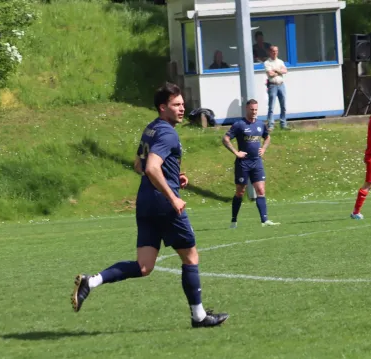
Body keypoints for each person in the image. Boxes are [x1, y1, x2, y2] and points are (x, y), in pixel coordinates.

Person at [71, 82, 229, 329]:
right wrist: (173, 196)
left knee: (144, 266)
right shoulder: (167, 133)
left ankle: (91, 282)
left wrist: (173, 176)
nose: (182, 109)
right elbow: (152, 168)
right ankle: (199, 317)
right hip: (164, 204)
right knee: (190, 257)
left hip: (145, 202)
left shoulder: (151, 129)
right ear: (162, 107)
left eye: (183, 104)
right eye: (176, 105)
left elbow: (139, 165)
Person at [222, 99, 280, 228]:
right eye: (252, 109)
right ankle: (234, 220)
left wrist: (263, 148)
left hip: (256, 162)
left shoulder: (260, 124)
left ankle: (264, 221)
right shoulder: (239, 124)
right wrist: (236, 152)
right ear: (246, 109)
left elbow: (267, 137)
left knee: (261, 190)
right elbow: (225, 139)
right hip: (243, 163)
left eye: (256, 110)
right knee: (240, 192)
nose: (254, 112)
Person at [264, 45, 288, 131]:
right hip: (272, 85)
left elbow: (285, 71)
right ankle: (270, 125)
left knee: (283, 106)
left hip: (281, 85)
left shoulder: (280, 61)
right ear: (270, 52)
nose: (275, 53)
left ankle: (283, 124)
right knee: (271, 106)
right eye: (273, 51)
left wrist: (276, 70)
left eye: (276, 51)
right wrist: (279, 71)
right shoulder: (267, 62)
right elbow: (270, 74)